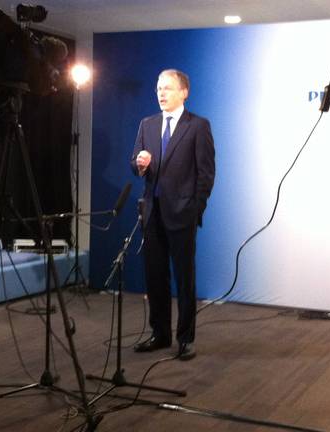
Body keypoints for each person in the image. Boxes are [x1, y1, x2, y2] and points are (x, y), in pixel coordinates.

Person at [130, 69, 215, 361]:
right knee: (155, 277)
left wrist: (195, 209)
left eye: (167, 88)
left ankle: (185, 338)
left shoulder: (198, 126)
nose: (161, 93)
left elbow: (206, 174)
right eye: (158, 88)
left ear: (184, 92)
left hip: (182, 214)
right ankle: (160, 334)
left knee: (184, 278)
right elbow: (135, 164)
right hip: (152, 213)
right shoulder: (147, 124)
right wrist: (140, 164)